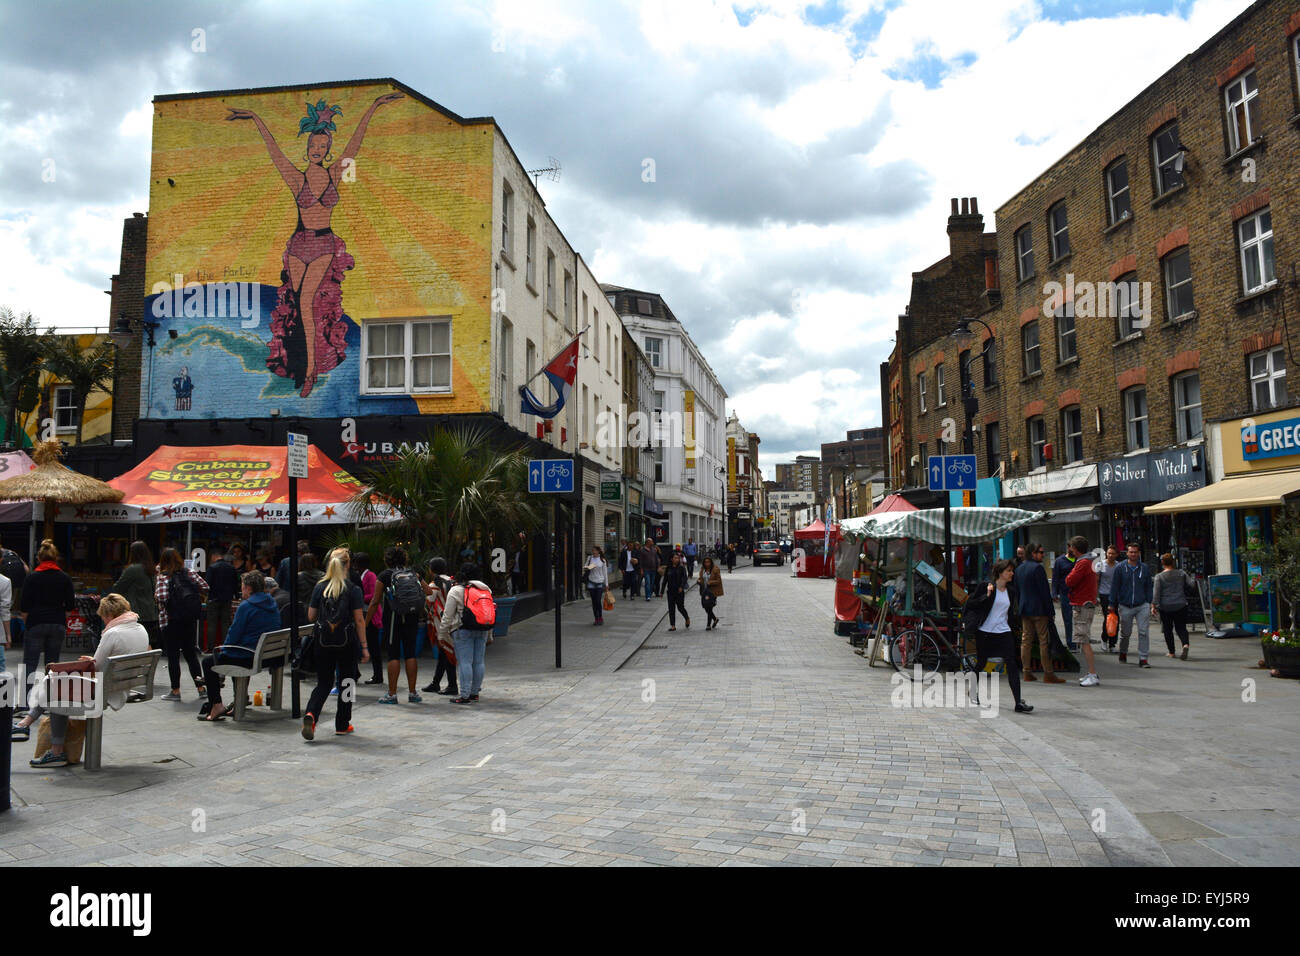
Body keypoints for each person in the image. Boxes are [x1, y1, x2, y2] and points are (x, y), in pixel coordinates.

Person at [227, 92, 403, 397]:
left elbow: (355, 146)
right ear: (307, 148)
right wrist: (256, 119)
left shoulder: (336, 174)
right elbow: (275, 153)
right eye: (313, 146)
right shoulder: (296, 180)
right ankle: (297, 365)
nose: (317, 150)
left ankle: (310, 373)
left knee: (307, 305)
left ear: (328, 151)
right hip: (299, 246)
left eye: (322, 147)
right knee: (296, 307)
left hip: (323, 245)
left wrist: (373, 106)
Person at [14, 593, 150, 764]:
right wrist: (92, 662)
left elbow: (97, 667)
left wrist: (90, 662)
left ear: (109, 615)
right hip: (122, 684)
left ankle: (49, 746)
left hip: (106, 689)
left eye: (103, 617)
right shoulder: (140, 628)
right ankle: (25, 724)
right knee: (55, 682)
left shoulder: (113, 633)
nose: (104, 621)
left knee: (54, 686)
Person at [197, 572, 284, 721]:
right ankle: (240, 699)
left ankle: (217, 705)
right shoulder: (271, 602)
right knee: (233, 655)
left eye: (242, 587)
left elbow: (234, 634)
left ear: (249, 588)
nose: (241, 590)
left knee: (209, 661)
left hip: (250, 656)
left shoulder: (247, 606)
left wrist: (223, 651)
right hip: (270, 655)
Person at [303, 552, 370, 738]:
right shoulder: (353, 589)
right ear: (348, 565)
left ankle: (311, 714)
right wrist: (364, 647)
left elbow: (311, 616)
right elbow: (359, 620)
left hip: (322, 642)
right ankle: (342, 723)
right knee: (347, 682)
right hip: (346, 642)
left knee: (323, 682)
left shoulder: (320, 587)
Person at [963, 560, 1033, 714]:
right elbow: (970, 605)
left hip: (1004, 632)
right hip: (985, 631)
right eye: (1009, 571)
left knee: (1012, 664)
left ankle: (1018, 702)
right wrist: (986, 596)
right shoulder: (986, 587)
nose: (1012, 573)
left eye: (1012, 571)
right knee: (981, 662)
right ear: (1000, 572)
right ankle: (973, 690)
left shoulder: (1011, 591)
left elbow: (1009, 613)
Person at [18, 539, 76, 710]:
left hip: (36, 622)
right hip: (57, 623)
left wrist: (28, 621)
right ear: (55, 558)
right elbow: (70, 606)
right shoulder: (64, 578)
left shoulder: (32, 577)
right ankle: (50, 701)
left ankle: (24, 703)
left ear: (39, 558)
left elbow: (24, 607)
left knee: (29, 663)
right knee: (53, 664)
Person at [366, 546, 423, 704]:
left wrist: (365, 623)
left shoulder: (384, 575)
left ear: (387, 560)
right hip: (411, 616)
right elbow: (428, 592)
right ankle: (413, 693)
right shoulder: (413, 573)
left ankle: (392, 694)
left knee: (394, 654)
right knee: (411, 654)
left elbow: (375, 601)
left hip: (393, 618)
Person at [154, 547, 209, 702]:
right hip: (189, 619)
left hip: (170, 621)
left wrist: (157, 596)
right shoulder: (188, 573)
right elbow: (205, 587)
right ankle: (201, 688)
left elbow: (163, 597)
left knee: (173, 656)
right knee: (191, 654)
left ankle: (175, 691)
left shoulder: (163, 577)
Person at [441, 563, 493, 705]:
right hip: (482, 629)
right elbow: (489, 611)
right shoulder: (485, 589)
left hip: (462, 630)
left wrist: (442, 634)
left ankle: (464, 695)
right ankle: (474, 693)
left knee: (465, 662)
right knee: (479, 662)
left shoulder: (456, 590)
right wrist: (490, 634)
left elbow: (447, 615)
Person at [1013, 543, 1064, 683]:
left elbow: (1017, 592)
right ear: (1033, 553)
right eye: (1040, 552)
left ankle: (1026, 672)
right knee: (1043, 641)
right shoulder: (1038, 569)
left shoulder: (1019, 569)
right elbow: (1044, 593)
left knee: (1026, 641)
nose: (1043, 555)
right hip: (1039, 610)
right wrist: (1050, 611)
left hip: (1025, 609)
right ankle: (1048, 673)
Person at [1065, 535, 1100, 687]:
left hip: (1082, 604)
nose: (1070, 550)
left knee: (1084, 640)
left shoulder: (1083, 563)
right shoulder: (1090, 561)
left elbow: (1069, 581)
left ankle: (1092, 674)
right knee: (1083, 639)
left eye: (1071, 547)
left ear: (1075, 549)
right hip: (1087, 602)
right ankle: (1090, 673)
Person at [112, 541, 160, 650]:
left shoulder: (133, 569)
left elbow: (118, 588)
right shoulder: (151, 568)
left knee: (135, 643)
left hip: (137, 612)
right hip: (151, 612)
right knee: (147, 642)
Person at [1113, 542, 1154, 667]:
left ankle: (1143, 658)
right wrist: (1112, 603)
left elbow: (1149, 586)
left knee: (1143, 632)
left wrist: (1149, 601)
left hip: (1142, 605)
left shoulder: (1145, 568)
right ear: (1127, 553)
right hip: (1125, 605)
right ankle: (1123, 651)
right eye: (1131, 552)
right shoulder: (1120, 568)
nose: (1133, 554)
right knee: (1126, 633)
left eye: (1135, 552)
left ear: (1139, 553)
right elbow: (1115, 586)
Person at [422, 557, 458, 696]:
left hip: (441, 623)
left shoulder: (434, 584)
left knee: (447, 653)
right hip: (453, 621)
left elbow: (429, 601)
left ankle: (452, 685)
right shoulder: (452, 581)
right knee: (444, 654)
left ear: (431, 570)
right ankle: (436, 683)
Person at [352, 552, 384, 685]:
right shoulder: (361, 575)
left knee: (373, 646)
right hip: (363, 612)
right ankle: (357, 672)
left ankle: (378, 675)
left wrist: (358, 597)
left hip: (369, 614)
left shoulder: (370, 576)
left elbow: (373, 596)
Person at [1153, 553, 1193, 660]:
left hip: (1165, 606)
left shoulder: (1159, 577)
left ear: (1162, 563)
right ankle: (1185, 645)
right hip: (1180, 604)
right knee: (1181, 627)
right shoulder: (1181, 573)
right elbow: (1192, 584)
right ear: (1173, 562)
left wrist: (1154, 605)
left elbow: (1156, 593)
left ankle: (1171, 652)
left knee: (1167, 629)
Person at [204, 547, 239, 649]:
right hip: (227, 599)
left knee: (212, 624)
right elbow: (235, 584)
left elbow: (207, 584)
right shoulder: (231, 568)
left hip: (213, 599)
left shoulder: (212, 568)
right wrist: (236, 596)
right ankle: (225, 646)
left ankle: (210, 647)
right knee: (225, 624)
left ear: (214, 557)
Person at [1095, 545, 1120, 652]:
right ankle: (1104, 639)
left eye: (1112, 553)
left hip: (1116, 595)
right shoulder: (1100, 564)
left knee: (1116, 619)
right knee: (1108, 618)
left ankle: (1112, 644)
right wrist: (1095, 596)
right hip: (1104, 594)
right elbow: (1096, 581)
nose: (1110, 555)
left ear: (1116, 555)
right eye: (1108, 553)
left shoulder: (1119, 566)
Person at [1052, 544, 1076, 650]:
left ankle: (1079, 640)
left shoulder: (1079, 560)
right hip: (1065, 594)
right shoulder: (1059, 561)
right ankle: (1071, 642)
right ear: (1068, 547)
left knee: (1079, 620)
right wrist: (1054, 593)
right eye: (1072, 547)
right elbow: (1055, 578)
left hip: (1078, 594)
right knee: (1068, 619)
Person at [664, 552, 690, 631]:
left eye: (678, 558)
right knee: (671, 609)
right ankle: (673, 625)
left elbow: (685, 578)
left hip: (679, 591)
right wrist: (661, 591)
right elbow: (665, 580)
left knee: (680, 607)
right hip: (670, 591)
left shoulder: (681, 568)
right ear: (671, 559)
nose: (677, 559)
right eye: (675, 558)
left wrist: (681, 587)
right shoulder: (668, 568)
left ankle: (687, 618)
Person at [583, 545, 609, 625]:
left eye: (594, 550)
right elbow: (585, 567)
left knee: (598, 601)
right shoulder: (590, 558)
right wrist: (588, 567)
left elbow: (605, 573)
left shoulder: (602, 560)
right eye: (592, 550)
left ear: (598, 551)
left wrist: (606, 584)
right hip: (591, 582)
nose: (593, 552)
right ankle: (596, 619)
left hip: (599, 582)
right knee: (594, 602)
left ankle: (600, 617)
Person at [697, 555, 723, 630]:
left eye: (708, 562)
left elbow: (719, 581)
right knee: (706, 607)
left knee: (709, 606)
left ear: (711, 562)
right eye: (705, 562)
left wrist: (710, 582)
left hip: (713, 591)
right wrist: (699, 581)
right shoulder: (702, 570)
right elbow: (701, 579)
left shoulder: (715, 569)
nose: (707, 563)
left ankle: (708, 625)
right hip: (704, 591)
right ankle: (715, 619)